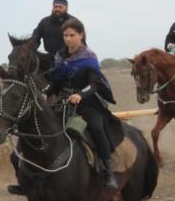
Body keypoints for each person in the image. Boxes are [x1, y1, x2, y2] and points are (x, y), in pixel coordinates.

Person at [7, 0, 79, 196]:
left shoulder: (72, 23)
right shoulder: (44, 22)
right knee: (33, 61)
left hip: (69, 58)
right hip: (49, 58)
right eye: (55, 6)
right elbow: (35, 39)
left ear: (66, 8)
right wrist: (26, 48)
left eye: (61, 6)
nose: (57, 9)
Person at [47, 18, 123, 190]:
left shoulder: (89, 56)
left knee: (96, 127)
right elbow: (56, 82)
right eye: (65, 35)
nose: (68, 39)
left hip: (87, 102)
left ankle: (108, 171)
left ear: (81, 35)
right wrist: (46, 91)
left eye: (72, 35)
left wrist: (80, 94)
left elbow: (95, 83)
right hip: (64, 102)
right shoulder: (60, 56)